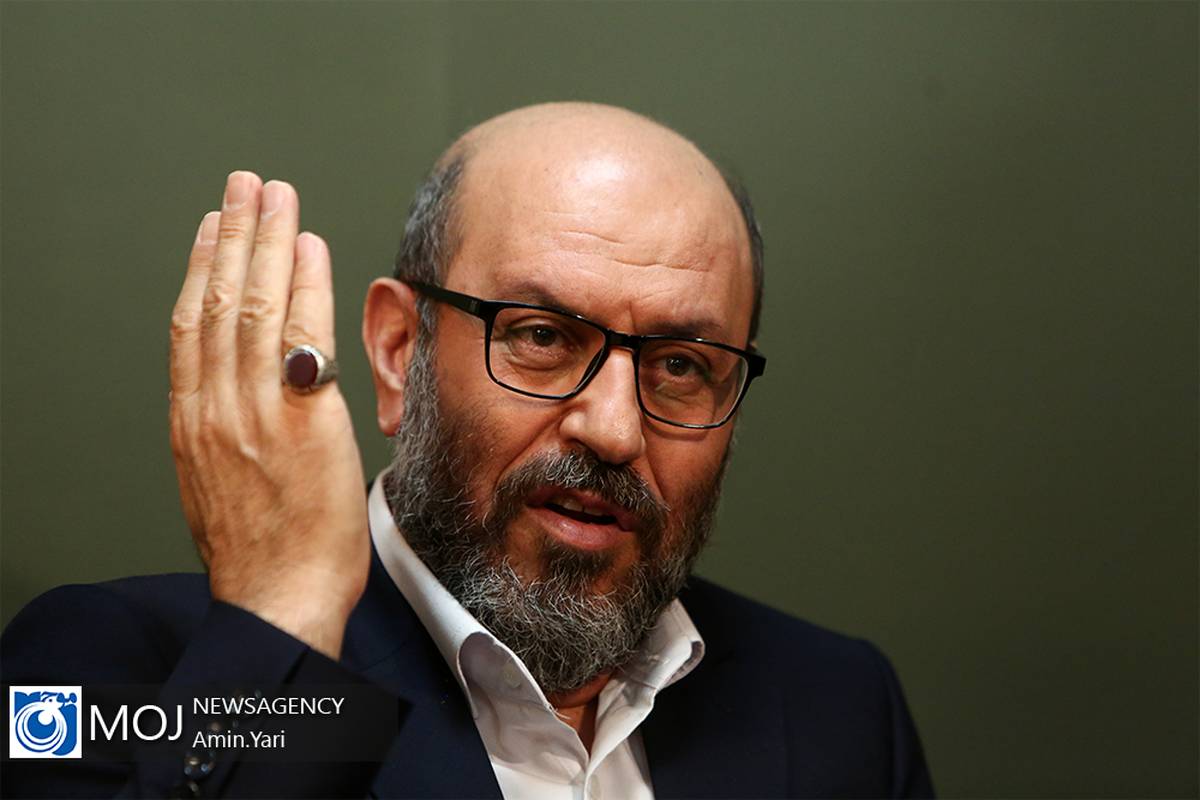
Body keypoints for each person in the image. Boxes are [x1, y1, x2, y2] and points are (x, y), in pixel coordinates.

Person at [2, 102, 934, 798]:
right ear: (398, 352)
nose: (614, 429)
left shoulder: (837, 706)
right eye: (542, 336)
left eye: (682, 365)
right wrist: (284, 622)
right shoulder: (109, 671)